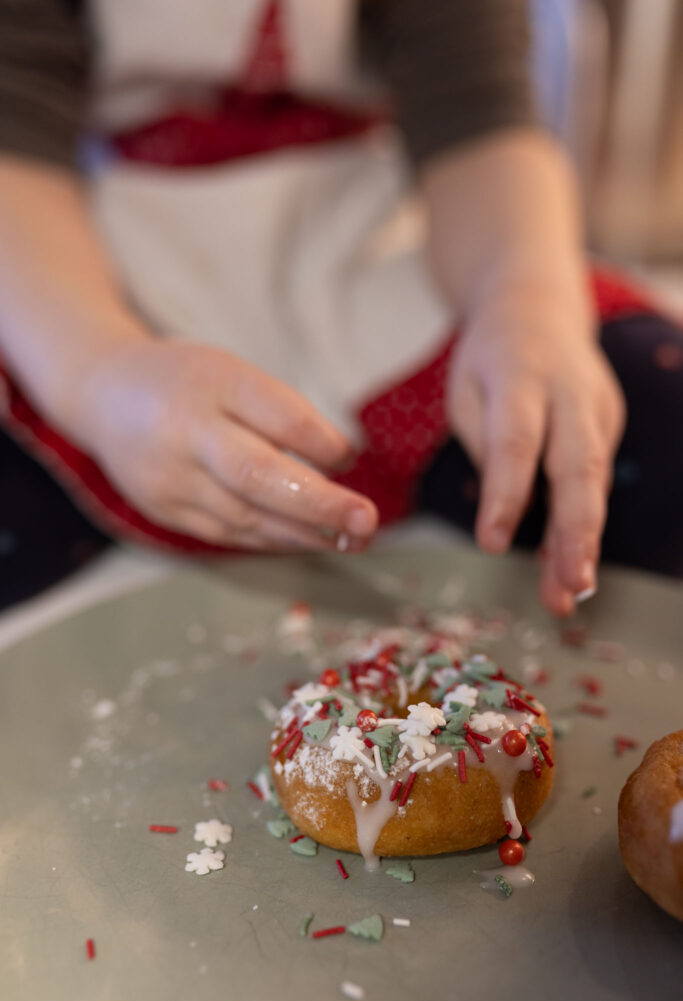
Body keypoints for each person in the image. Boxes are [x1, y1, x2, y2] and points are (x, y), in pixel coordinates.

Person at [1, 0, 681, 615]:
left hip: (378, 250)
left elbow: (478, 120)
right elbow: (15, 141)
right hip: (86, 276)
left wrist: (526, 302)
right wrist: (97, 376)